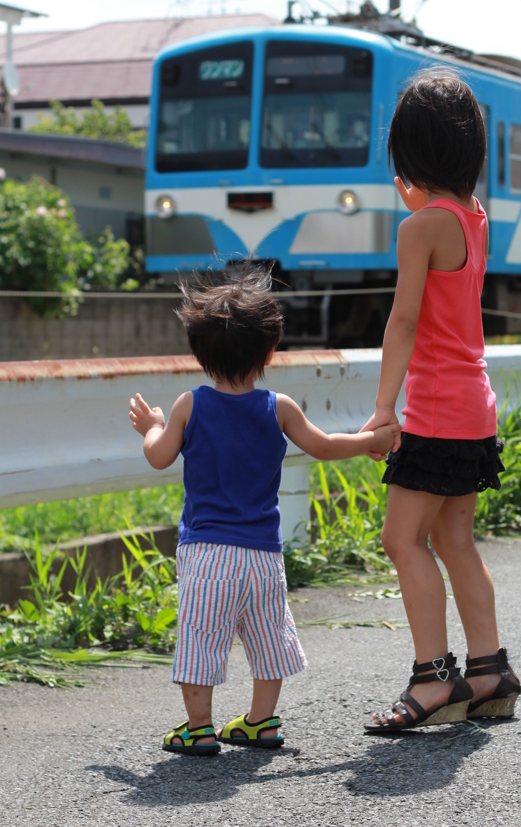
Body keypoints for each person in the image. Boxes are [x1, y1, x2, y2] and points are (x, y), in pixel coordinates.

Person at [129, 265, 399, 756]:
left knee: (200, 637)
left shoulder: (191, 404)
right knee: (268, 637)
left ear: (200, 352)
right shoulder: (279, 406)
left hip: (208, 552)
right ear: (269, 351)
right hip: (263, 556)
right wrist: (371, 441)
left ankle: (199, 726)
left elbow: (158, 456)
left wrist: (151, 424)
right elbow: (324, 445)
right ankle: (260, 721)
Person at [362, 69, 521, 733]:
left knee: (402, 540)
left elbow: (403, 322)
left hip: (432, 408)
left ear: (410, 149)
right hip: (473, 407)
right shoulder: (473, 216)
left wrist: (381, 409)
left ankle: (433, 680)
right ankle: (489, 672)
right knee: (455, 539)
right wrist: (423, 208)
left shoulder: (419, 228)